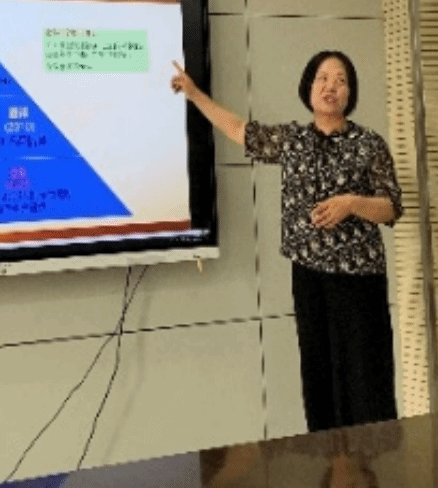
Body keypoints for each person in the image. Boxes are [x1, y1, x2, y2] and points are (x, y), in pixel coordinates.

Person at [172, 51, 402, 432]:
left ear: (350, 93)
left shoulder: (369, 143)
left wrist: (351, 203)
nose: (330, 86)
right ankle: (332, 460)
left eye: (341, 80)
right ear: (308, 87)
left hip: (359, 282)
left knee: (365, 380)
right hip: (309, 280)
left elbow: (391, 207)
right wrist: (195, 94)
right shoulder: (292, 140)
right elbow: (237, 129)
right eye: (322, 78)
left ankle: (375, 461)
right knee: (319, 376)